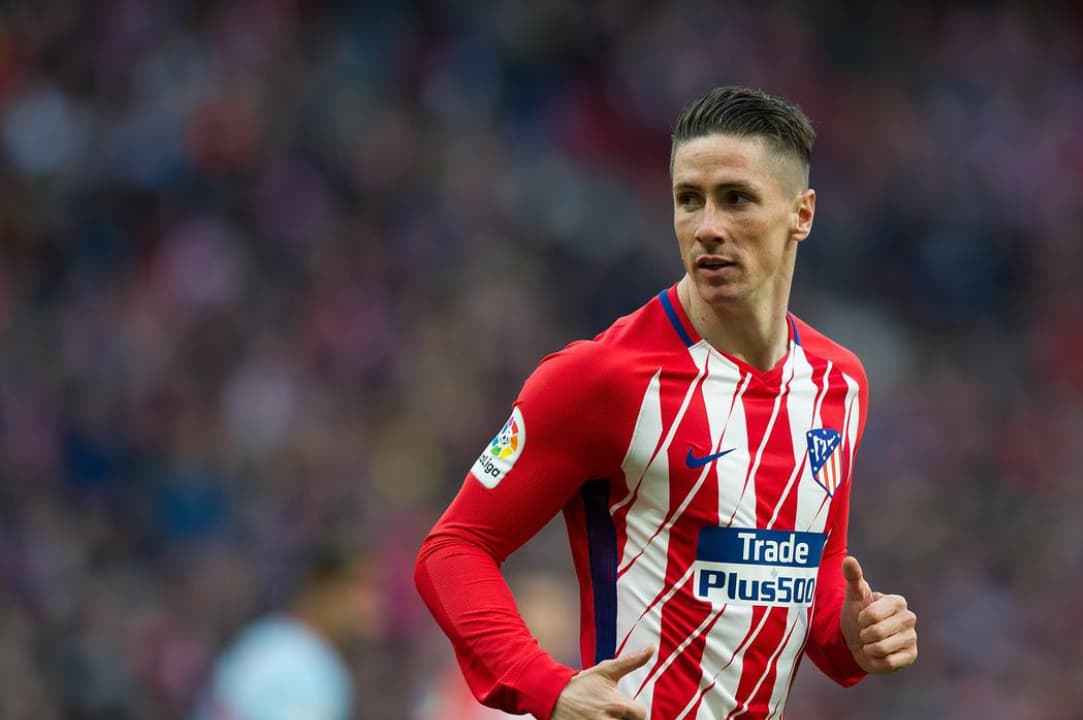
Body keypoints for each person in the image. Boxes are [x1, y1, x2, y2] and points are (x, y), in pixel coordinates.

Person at [415, 86, 918, 720]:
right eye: (688, 200)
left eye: (736, 199)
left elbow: (808, 581)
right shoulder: (600, 378)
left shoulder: (838, 384)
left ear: (802, 214)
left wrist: (857, 636)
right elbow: (452, 550)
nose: (707, 227)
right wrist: (549, 686)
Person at [194, 545, 380, 720]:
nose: (372, 606)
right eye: (362, 589)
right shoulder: (312, 668)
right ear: (325, 586)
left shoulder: (263, 637)